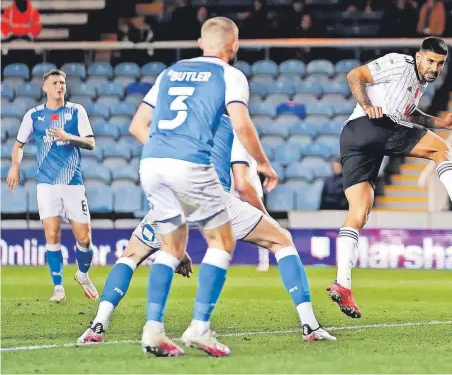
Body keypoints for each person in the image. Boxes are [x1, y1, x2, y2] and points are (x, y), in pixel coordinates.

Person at [78, 116, 334, 345]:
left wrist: (177, 245)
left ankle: (98, 325)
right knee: (282, 240)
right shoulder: (233, 124)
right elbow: (243, 184)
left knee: (131, 256)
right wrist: (266, 220)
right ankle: (310, 325)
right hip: (212, 194)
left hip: (171, 195)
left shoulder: (176, 124)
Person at [130, 16, 277, 357]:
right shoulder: (230, 74)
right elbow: (240, 122)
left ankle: (153, 330)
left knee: (171, 246)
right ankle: (200, 328)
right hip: (189, 163)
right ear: (234, 45)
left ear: (200, 43)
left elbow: (138, 124)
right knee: (222, 241)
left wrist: (164, 148)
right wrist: (264, 163)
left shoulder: (170, 71)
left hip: (151, 162)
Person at [328, 37, 452, 319]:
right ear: (419, 57)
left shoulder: (419, 85)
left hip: (354, 138)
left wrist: (440, 122)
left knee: (359, 212)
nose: (434, 67)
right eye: (430, 61)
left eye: (440, 63)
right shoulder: (399, 62)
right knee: (443, 149)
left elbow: (408, 115)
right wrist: (367, 103)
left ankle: (342, 284)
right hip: (372, 124)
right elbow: (355, 75)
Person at [6, 69, 98, 302]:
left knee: (84, 238)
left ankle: (82, 274)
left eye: (63, 82)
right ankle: (58, 288)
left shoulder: (77, 111)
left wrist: (69, 137)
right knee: (52, 233)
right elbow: (18, 145)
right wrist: (15, 167)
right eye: (55, 82)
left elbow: (90, 143)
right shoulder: (34, 115)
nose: (60, 86)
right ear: (45, 87)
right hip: (46, 184)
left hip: (73, 183)